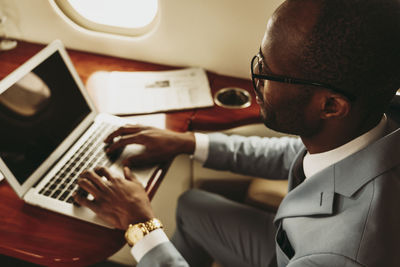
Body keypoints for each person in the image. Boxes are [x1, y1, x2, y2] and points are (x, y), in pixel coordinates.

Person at [73, 0, 400, 266]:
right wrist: (187, 142)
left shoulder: (340, 255)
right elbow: (296, 155)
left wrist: (140, 225)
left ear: (331, 106)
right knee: (191, 206)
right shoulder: (372, 123)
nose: (256, 76)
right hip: (285, 250)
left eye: (269, 72)